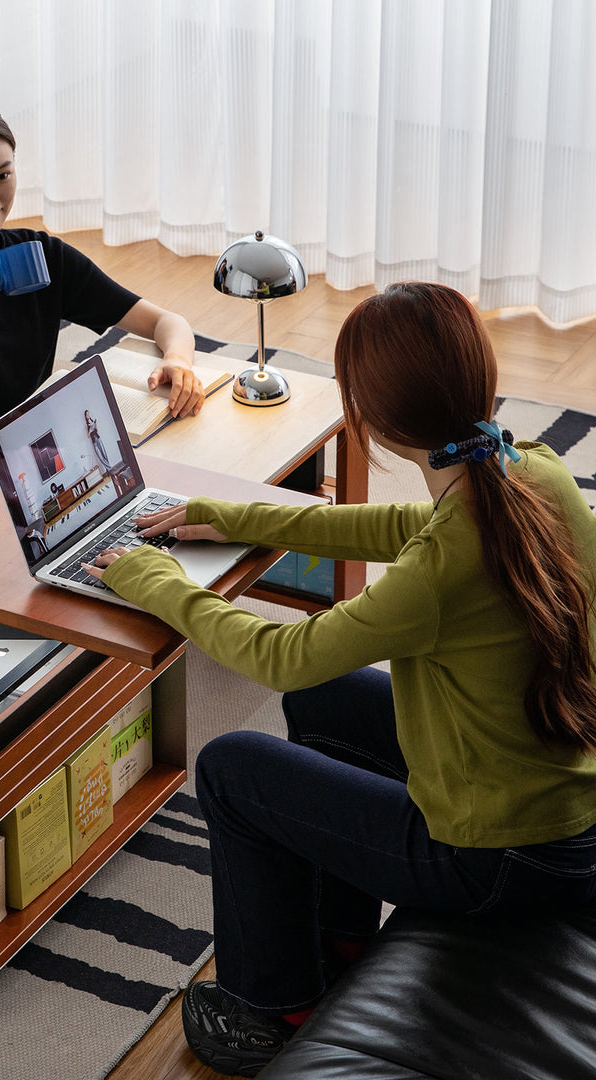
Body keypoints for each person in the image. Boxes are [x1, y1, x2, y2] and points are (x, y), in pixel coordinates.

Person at [84, 281, 596, 1076]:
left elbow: (277, 652)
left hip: (495, 861)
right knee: (325, 701)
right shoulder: (532, 471)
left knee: (232, 770)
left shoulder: (438, 574)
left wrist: (154, 580)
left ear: (380, 423)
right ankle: (342, 936)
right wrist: (237, 514)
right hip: (560, 815)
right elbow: (406, 527)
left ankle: (269, 1006)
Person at [0, 94, 204, 496]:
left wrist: (177, 360)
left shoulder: (39, 255)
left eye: (2, 176)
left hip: (32, 472)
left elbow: (165, 322)